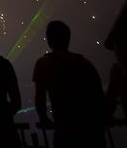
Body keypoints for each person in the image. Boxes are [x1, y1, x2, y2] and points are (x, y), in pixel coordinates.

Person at [33, 20, 106, 148]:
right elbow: (99, 96)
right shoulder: (85, 63)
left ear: (49, 40)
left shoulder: (44, 64)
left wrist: (43, 118)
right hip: (92, 130)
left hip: (65, 131)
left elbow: (40, 97)